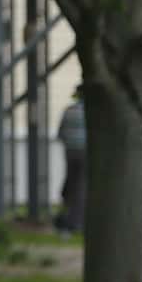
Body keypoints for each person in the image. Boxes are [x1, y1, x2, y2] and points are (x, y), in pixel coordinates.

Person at [58, 87, 87, 232]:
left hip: (70, 151)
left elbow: (61, 133)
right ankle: (77, 221)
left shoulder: (69, 111)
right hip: (85, 152)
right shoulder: (90, 111)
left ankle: (67, 216)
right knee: (81, 186)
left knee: (71, 183)